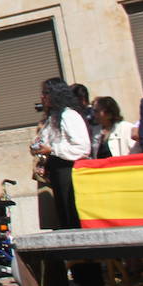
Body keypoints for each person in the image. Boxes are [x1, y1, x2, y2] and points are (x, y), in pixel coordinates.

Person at [32, 78, 90, 229]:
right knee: (61, 215)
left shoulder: (69, 115)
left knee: (71, 212)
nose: (42, 97)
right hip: (55, 171)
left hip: (69, 170)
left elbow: (82, 147)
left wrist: (52, 150)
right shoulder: (52, 119)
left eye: (45, 93)